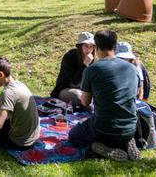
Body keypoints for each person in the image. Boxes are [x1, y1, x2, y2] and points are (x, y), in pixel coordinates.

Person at [68, 30, 141, 161]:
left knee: (74, 134)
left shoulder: (92, 70)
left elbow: (85, 102)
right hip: (131, 128)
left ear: (97, 47)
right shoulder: (132, 68)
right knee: (117, 130)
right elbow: (135, 96)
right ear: (115, 46)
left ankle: (100, 148)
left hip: (104, 129)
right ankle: (127, 141)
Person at [50, 32, 95, 106]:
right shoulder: (70, 56)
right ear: (80, 46)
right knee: (80, 97)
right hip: (67, 88)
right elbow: (75, 81)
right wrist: (85, 64)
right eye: (86, 46)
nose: (89, 49)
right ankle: (94, 114)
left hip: (85, 90)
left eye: (91, 46)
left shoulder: (95, 58)